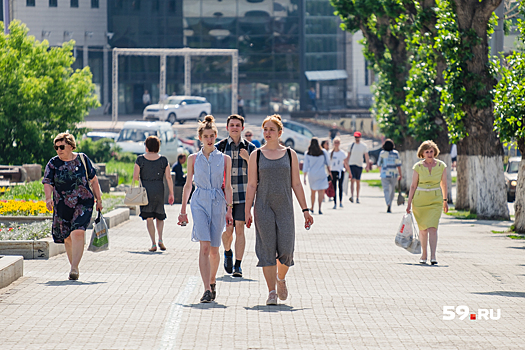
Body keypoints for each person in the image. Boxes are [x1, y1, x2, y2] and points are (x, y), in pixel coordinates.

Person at [245, 114, 314, 305]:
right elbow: (251, 185)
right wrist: (247, 210)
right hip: (263, 207)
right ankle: (271, 292)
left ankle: (280, 278)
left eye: (271, 130)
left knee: (286, 250)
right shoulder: (256, 155)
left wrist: (305, 210)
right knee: (266, 250)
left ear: (280, 132)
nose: (267, 133)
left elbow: (297, 184)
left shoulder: (290, 154)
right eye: (265, 129)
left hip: (285, 208)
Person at [178, 115, 234, 303]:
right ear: (200, 138)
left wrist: (229, 209)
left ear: (216, 137)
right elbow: (188, 185)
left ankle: (212, 281)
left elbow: (228, 187)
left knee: (214, 250)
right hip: (199, 201)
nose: (209, 139)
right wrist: (183, 210)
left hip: (218, 201)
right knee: (204, 246)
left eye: (212, 136)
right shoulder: (193, 159)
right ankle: (206, 289)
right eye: (206, 136)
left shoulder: (225, 159)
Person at [43, 133, 103, 281]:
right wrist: (48, 198)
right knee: (67, 237)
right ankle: (74, 265)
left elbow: (94, 180)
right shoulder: (53, 163)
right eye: (56, 147)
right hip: (62, 204)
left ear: (70, 146)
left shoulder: (82, 159)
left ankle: (74, 268)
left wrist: (99, 199)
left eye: (62, 147)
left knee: (78, 232)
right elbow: (47, 182)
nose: (58, 150)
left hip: (84, 202)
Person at [215, 114, 257, 277]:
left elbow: (257, 173)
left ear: (242, 128)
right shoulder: (220, 147)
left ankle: (238, 265)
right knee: (228, 229)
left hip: (243, 195)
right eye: (231, 125)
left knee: (240, 228)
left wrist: (248, 159)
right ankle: (227, 252)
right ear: (227, 128)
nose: (234, 127)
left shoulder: (251, 149)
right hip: (224, 195)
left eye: (237, 125)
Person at [406, 140, 448, 265]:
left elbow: (444, 184)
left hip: (435, 200)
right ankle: (424, 254)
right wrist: (409, 203)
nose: (430, 154)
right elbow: (413, 186)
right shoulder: (417, 167)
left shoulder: (441, 166)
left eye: (431, 151)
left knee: (433, 228)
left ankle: (433, 256)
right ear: (422, 153)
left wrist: (445, 201)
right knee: (423, 229)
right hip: (420, 201)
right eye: (427, 152)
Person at [132, 136, 174, 252]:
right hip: (159, 189)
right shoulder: (163, 160)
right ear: (158, 147)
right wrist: (171, 193)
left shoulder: (140, 160)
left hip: (146, 190)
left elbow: (135, 177)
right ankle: (161, 239)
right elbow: (169, 177)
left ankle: (154, 243)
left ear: (146, 147)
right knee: (160, 215)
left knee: (149, 217)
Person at [303, 137, 331, 214]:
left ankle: (312, 207)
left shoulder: (308, 153)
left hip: (312, 174)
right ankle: (320, 208)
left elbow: (305, 166)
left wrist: (304, 177)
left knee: (313, 192)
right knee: (321, 191)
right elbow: (328, 163)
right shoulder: (323, 152)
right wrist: (330, 172)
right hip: (321, 173)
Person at [377, 139, 402, 213]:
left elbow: (379, 164)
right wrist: (400, 174)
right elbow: (398, 165)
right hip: (393, 174)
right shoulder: (395, 153)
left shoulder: (382, 153)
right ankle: (390, 204)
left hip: (384, 174)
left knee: (386, 190)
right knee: (392, 190)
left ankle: (388, 202)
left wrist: (380, 171)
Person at [345, 131, 370, 203]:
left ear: (360, 137)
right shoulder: (351, 145)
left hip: (359, 165)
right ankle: (352, 196)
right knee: (352, 180)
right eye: (355, 137)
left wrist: (367, 165)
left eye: (358, 137)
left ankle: (358, 196)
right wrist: (346, 165)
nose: (357, 138)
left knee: (358, 181)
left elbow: (366, 156)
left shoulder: (363, 146)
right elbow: (348, 155)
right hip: (352, 164)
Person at [329, 137, 350, 209]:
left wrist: (348, 171)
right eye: (335, 143)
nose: (336, 144)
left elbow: (345, 162)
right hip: (333, 171)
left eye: (338, 143)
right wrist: (329, 172)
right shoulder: (330, 153)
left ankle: (341, 201)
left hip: (340, 171)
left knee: (340, 186)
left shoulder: (342, 153)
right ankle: (335, 202)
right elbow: (328, 164)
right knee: (334, 187)